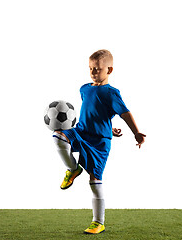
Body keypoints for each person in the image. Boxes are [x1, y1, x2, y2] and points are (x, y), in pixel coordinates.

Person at [52, 49, 146, 234]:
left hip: (100, 142)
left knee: (94, 180)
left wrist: (135, 132)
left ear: (109, 70)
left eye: (97, 69)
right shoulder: (84, 88)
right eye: (90, 68)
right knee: (58, 136)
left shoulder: (111, 93)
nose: (93, 72)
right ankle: (73, 169)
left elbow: (124, 113)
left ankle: (98, 222)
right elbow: (95, 113)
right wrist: (108, 125)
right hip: (81, 131)